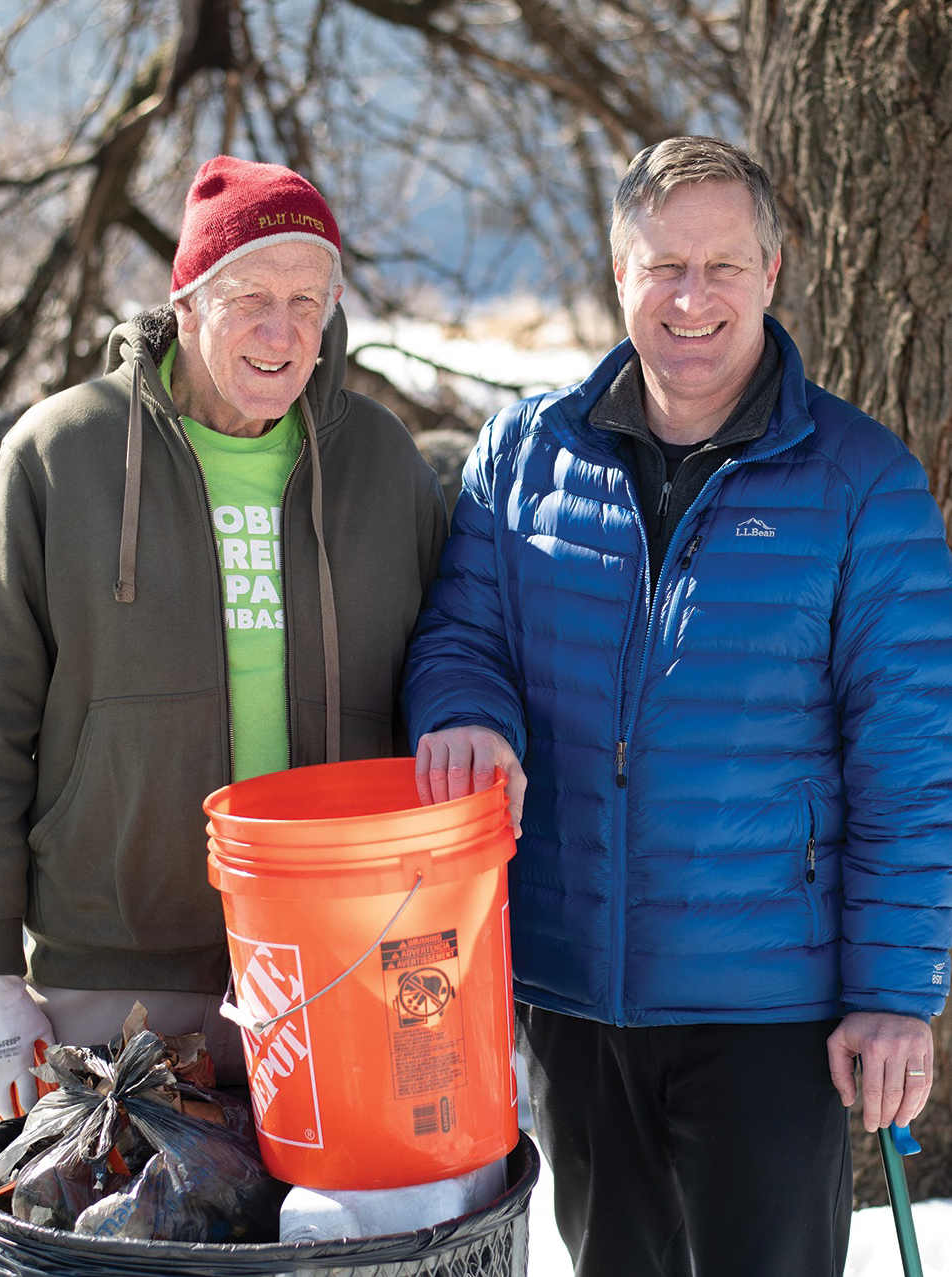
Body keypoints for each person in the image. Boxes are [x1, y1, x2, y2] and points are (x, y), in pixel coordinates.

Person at [402, 135, 952, 1276]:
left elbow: (912, 761)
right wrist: (465, 709)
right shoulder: (524, 455)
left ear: (771, 271)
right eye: (663, 267)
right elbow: (461, 635)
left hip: (771, 1010)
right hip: (572, 993)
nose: (691, 298)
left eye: (722, 266)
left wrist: (895, 993)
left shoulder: (862, 483)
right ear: (620, 274)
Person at [0, 155, 447, 1124]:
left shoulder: (382, 463)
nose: (282, 332)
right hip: (112, 974)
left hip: (340, 961)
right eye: (250, 299)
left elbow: (442, 682)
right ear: (187, 302)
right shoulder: (59, 456)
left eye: (306, 301)